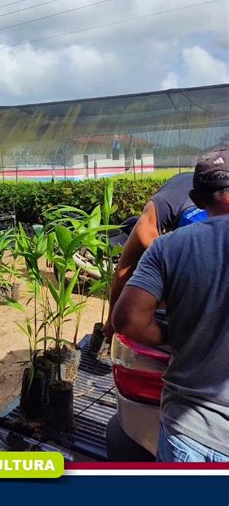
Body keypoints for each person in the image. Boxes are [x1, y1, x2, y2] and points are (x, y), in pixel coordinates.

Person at [112, 148, 229, 462]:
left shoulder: (170, 246)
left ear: (196, 198)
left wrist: (174, 331)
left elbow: (126, 318)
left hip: (188, 432)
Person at [104, 171, 207, 338]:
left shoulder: (219, 215)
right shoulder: (162, 207)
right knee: (125, 271)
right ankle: (109, 326)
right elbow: (155, 253)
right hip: (170, 202)